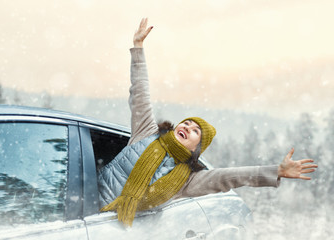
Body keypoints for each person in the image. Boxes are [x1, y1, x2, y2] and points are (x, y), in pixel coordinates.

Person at [98, 18, 318, 227]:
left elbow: (230, 177)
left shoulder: (187, 180)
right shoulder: (147, 133)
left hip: (106, 227)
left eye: (196, 131)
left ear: (197, 148)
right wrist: (138, 48)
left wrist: (276, 171)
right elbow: (140, 93)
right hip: (79, 207)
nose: (187, 127)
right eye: (186, 123)